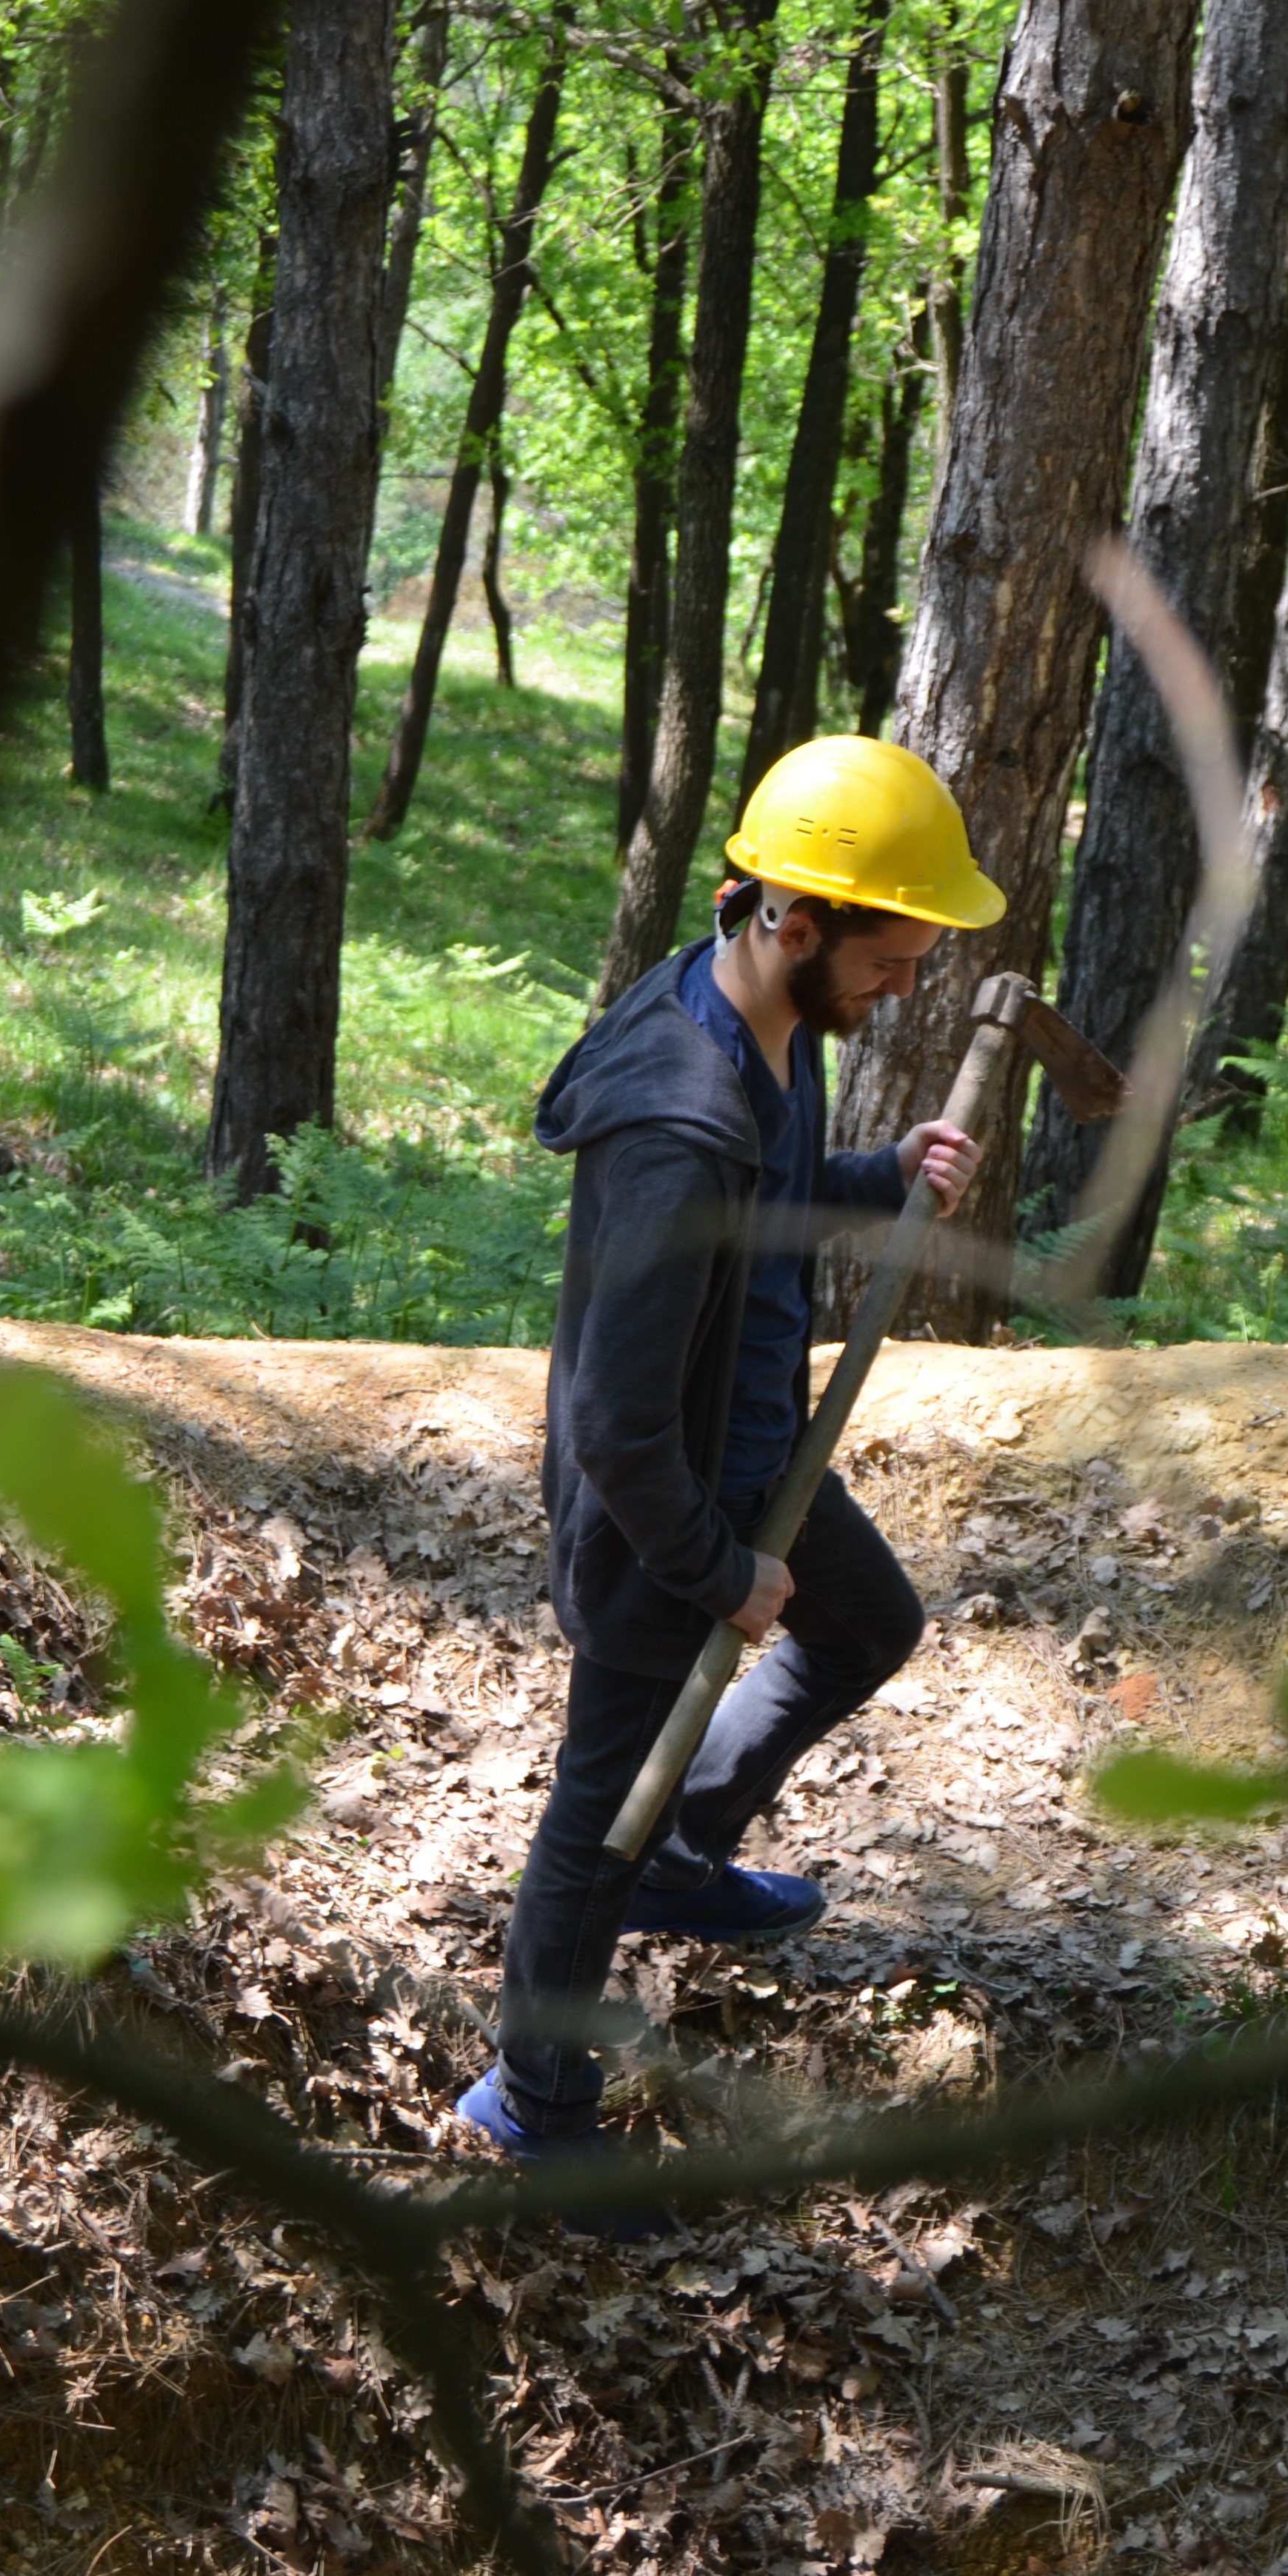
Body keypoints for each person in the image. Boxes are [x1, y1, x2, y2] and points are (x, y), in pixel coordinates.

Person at [458, 734, 1004, 2167]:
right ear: (798, 918)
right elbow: (615, 1420)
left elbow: (772, 1197)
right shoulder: (675, 1123)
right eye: (893, 957)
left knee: (869, 1624)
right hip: (662, 1513)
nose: (906, 988)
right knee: (595, 1816)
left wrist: (877, 1181)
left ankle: (686, 1855)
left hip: (757, 1451)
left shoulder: (779, 1021)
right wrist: (718, 1574)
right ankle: (533, 2106)